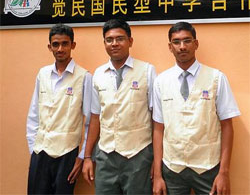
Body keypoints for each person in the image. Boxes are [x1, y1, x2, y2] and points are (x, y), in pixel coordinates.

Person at [153, 22, 240, 195]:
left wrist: (223, 172)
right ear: (170, 47)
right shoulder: (161, 81)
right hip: (173, 168)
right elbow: (158, 128)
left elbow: (227, 125)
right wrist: (157, 175)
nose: (182, 46)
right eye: (176, 42)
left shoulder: (216, 78)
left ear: (196, 44)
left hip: (208, 169)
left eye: (187, 41)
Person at [82, 19, 156, 194]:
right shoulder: (99, 74)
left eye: (120, 39)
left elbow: (157, 118)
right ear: (104, 43)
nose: (114, 44)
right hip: (105, 156)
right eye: (109, 40)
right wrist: (87, 156)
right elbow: (94, 117)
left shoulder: (147, 71)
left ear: (130, 41)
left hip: (138, 155)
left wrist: (156, 160)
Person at [26, 24, 92, 194]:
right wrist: (33, 148)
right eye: (56, 44)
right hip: (40, 151)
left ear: (73, 45)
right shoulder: (43, 74)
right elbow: (34, 113)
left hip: (67, 153)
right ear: (50, 47)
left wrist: (82, 156)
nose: (60, 48)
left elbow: (90, 122)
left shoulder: (84, 77)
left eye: (65, 43)